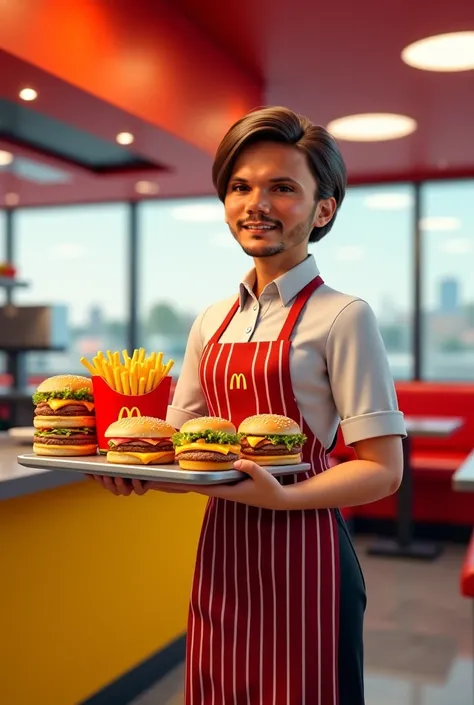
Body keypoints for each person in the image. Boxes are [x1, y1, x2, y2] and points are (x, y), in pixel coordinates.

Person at [92, 106, 406, 705]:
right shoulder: (211, 319)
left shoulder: (344, 315)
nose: (255, 204)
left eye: (282, 188)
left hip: (308, 559)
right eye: (241, 187)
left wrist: (283, 496)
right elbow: (184, 449)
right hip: (222, 556)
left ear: (323, 210)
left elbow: (383, 470)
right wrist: (135, 471)